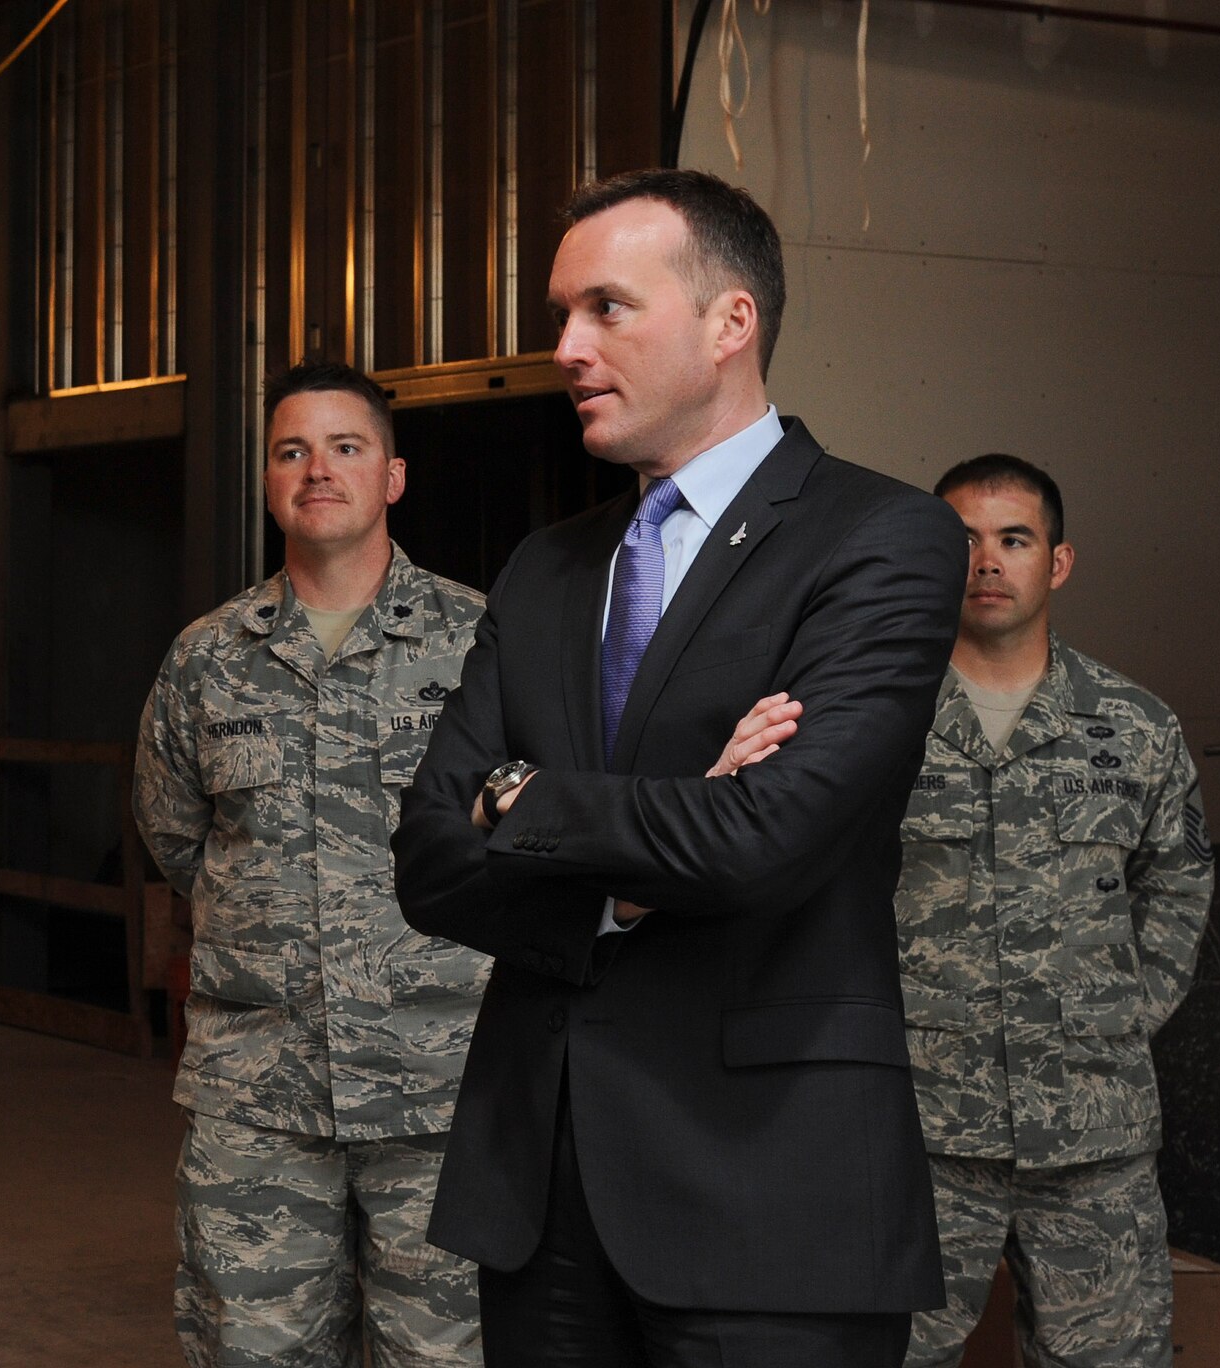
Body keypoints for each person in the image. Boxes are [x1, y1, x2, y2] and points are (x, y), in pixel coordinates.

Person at [391, 167, 964, 1368]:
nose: (562, 347)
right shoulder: (544, 569)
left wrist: (526, 801)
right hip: (538, 1187)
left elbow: (769, 835)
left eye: (605, 307)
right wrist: (635, 870)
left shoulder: (880, 538)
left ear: (728, 322)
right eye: (559, 313)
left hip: (768, 1188)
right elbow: (431, 860)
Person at [134, 361, 489, 1366]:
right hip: (258, 1093)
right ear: (268, 479)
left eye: (346, 447)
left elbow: (534, 836)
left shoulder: (481, 642)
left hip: (442, 1089)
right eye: (291, 450)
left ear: (392, 477)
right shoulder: (206, 658)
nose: (316, 469)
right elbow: (176, 839)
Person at [897, 455, 1213, 1367]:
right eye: (961, 540)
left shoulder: (1135, 726)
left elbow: (1180, 887)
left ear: (1057, 563)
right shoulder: (876, 718)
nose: (987, 560)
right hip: (919, 1130)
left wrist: (1114, 1021)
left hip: (1094, 1138)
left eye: (1014, 539)